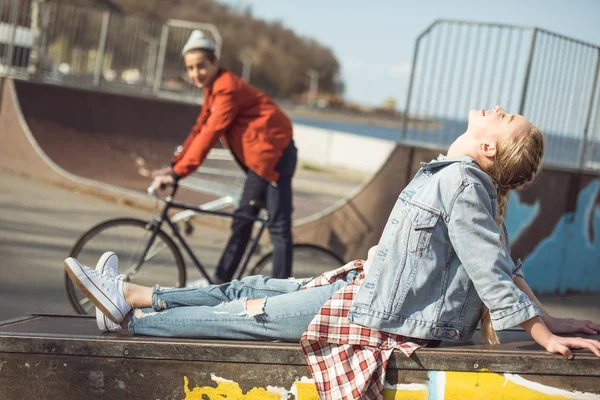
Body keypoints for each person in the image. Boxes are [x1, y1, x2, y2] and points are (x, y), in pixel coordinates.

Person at [66, 106, 600, 399]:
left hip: (373, 316)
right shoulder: (454, 178)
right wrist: (547, 317)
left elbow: (491, 269)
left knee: (243, 316)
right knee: (249, 288)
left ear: (488, 148)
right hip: (366, 293)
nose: (498, 108)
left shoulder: (462, 184)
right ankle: (134, 293)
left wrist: (542, 332)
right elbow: (503, 263)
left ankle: (128, 323)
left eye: (505, 118)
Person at [152, 30, 297, 282]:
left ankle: (278, 290)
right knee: (243, 221)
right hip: (262, 159)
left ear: (215, 62)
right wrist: (173, 166)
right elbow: (199, 128)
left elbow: (211, 133)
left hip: (274, 157)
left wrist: (178, 174)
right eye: (190, 68)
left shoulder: (227, 89)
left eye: (200, 66)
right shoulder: (213, 89)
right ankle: (222, 285)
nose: (195, 73)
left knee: (276, 227)